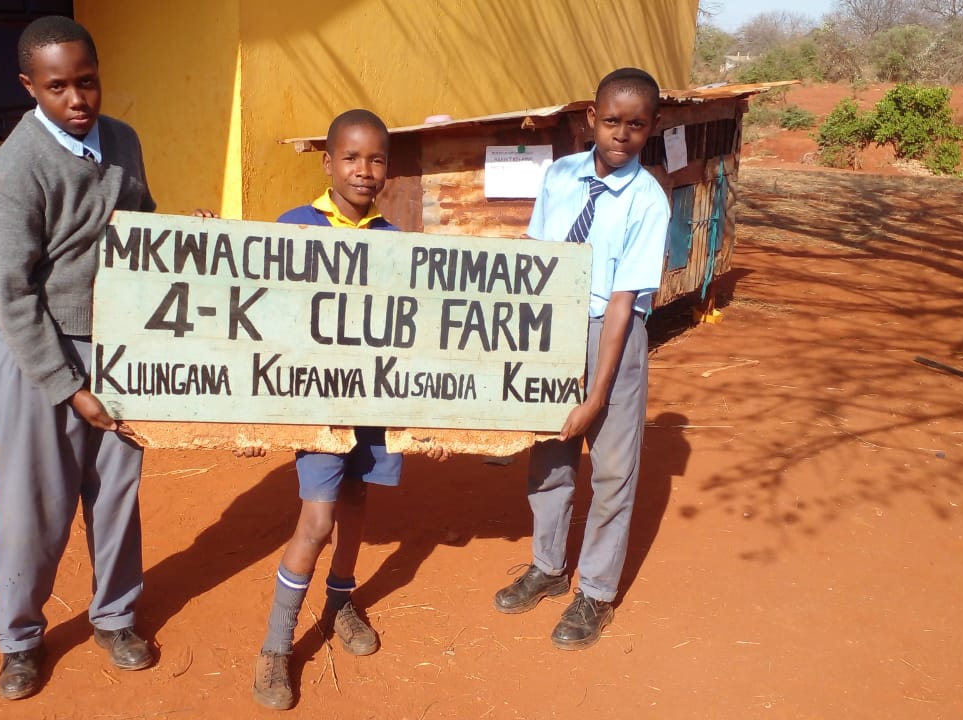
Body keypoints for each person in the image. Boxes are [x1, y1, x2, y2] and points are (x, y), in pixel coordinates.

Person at [0, 15, 159, 700]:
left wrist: (185, 242)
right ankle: (20, 641)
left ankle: (114, 618)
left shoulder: (123, 142)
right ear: (30, 87)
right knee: (34, 508)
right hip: (37, 353)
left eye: (87, 82)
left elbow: (142, 226)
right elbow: (10, 296)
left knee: (116, 496)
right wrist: (67, 383)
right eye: (58, 87)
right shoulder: (16, 171)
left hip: (117, 348)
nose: (77, 99)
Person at [250, 109, 448, 711]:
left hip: (377, 402)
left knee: (358, 502)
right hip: (320, 407)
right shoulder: (293, 228)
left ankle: (340, 598)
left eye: (378, 159)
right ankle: (275, 647)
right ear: (328, 162)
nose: (366, 170)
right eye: (353, 158)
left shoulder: (393, 240)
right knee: (316, 519)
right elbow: (262, 308)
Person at [492, 67, 669, 650]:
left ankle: (594, 590)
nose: (621, 134)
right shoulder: (560, 175)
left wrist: (596, 395)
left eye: (635, 125)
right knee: (550, 456)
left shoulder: (648, 200)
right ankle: (547, 566)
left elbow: (623, 301)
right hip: (553, 329)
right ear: (590, 119)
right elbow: (539, 258)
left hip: (610, 333)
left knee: (613, 469)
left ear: (652, 129)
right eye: (611, 121)